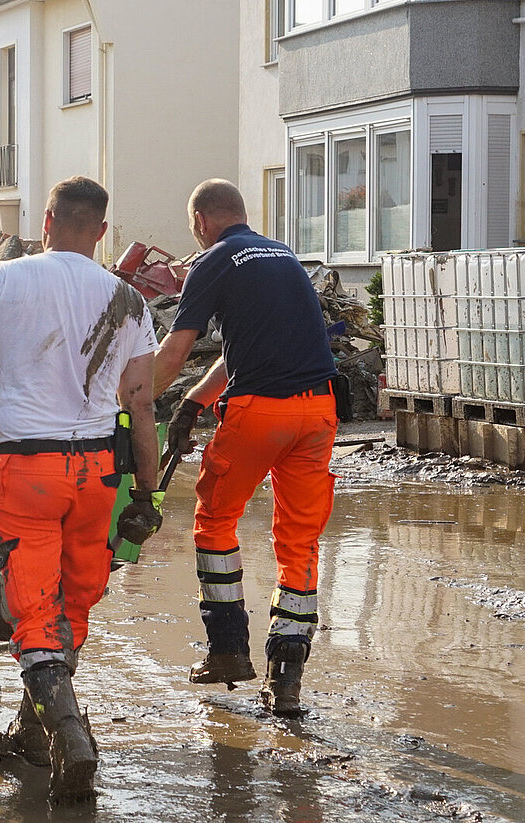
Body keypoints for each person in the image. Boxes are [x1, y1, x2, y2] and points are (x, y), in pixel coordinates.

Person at [0, 176, 161, 800]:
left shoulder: (2, 280)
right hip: (97, 474)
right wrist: (146, 498)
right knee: (74, 598)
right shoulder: (130, 301)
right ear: (102, 232)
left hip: (26, 471)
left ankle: (68, 732)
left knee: (31, 606)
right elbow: (142, 407)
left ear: (46, 220)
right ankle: (36, 726)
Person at [152, 179, 340, 717]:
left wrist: (127, 401)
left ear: (201, 220)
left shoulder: (214, 259)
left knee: (215, 521)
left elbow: (172, 352)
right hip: (319, 412)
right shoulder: (284, 257)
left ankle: (228, 649)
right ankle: (286, 676)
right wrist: (193, 403)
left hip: (261, 412)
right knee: (300, 542)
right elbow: (243, 351)